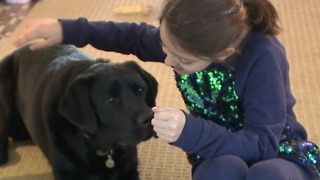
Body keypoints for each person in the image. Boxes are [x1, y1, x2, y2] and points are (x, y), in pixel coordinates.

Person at [13, 0, 320, 179]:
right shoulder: (183, 41)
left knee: (268, 175)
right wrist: (67, 29)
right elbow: (130, 37)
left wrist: (191, 131)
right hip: (216, 148)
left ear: (223, 54)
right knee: (221, 171)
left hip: (275, 146)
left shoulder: (263, 57)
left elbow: (262, 144)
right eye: (164, 46)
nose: (168, 60)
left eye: (182, 60)